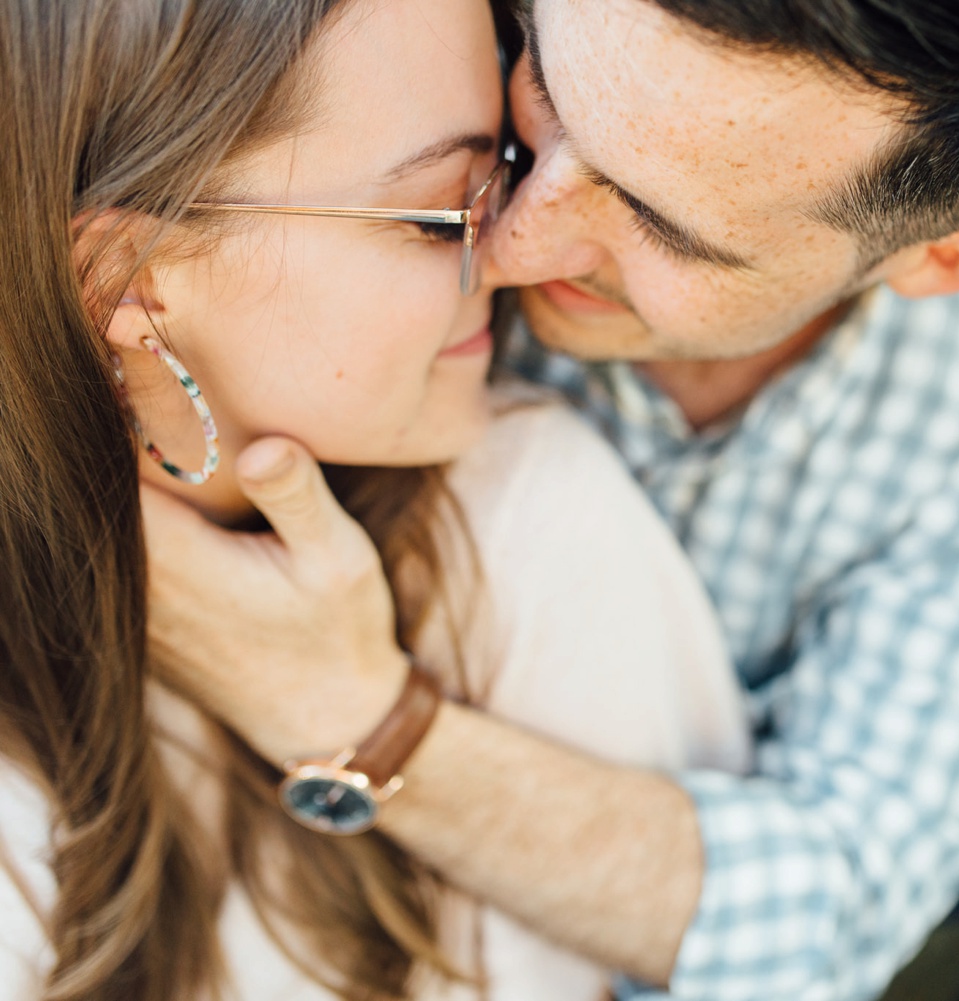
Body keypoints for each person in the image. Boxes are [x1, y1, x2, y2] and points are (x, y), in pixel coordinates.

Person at [139, 1, 959, 1000]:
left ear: (942, 262)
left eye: (666, 227)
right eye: (543, 95)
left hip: (785, 734)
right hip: (435, 712)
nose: (507, 237)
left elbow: (836, 912)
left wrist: (357, 721)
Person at [0, 1, 751, 999]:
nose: (520, 250)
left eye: (509, 172)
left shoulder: (524, 510)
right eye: (445, 210)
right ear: (122, 280)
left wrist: (375, 721)